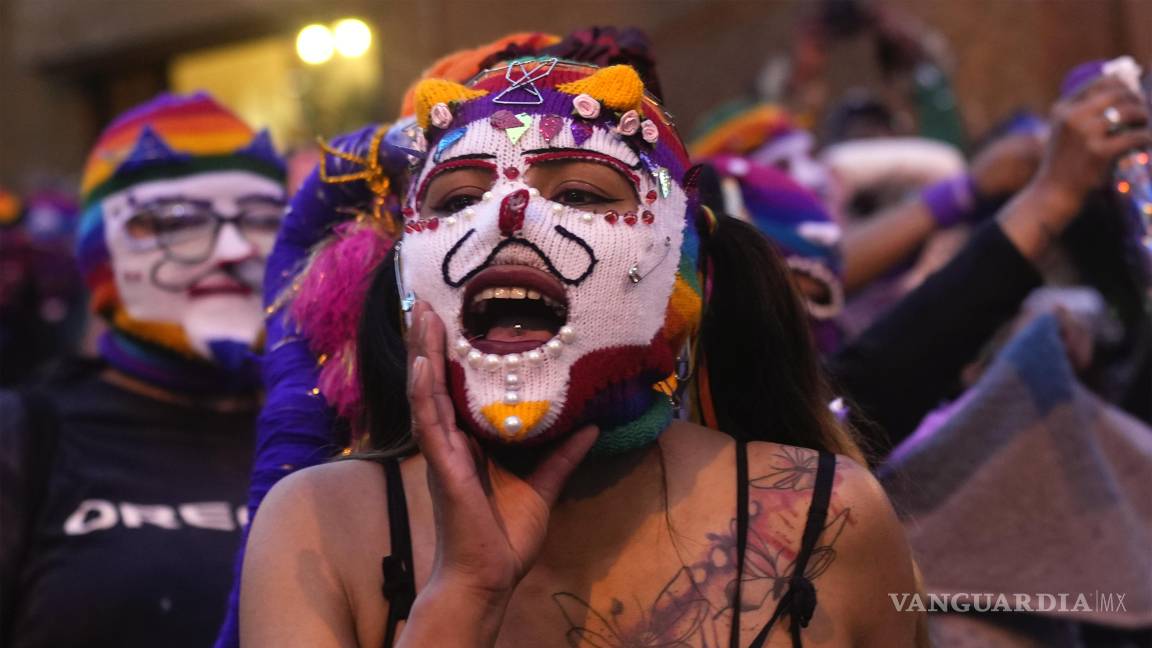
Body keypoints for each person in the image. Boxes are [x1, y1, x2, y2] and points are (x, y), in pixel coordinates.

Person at [240, 52, 923, 647]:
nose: (507, 215)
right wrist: (464, 596)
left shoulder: (826, 516)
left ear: (678, 264)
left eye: (577, 192)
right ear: (405, 281)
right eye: (455, 202)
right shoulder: (318, 530)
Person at [0, 93, 286, 647]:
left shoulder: (336, 429)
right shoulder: (23, 439)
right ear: (101, 251)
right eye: (177, 222)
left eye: (262, 219)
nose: (233, 249)